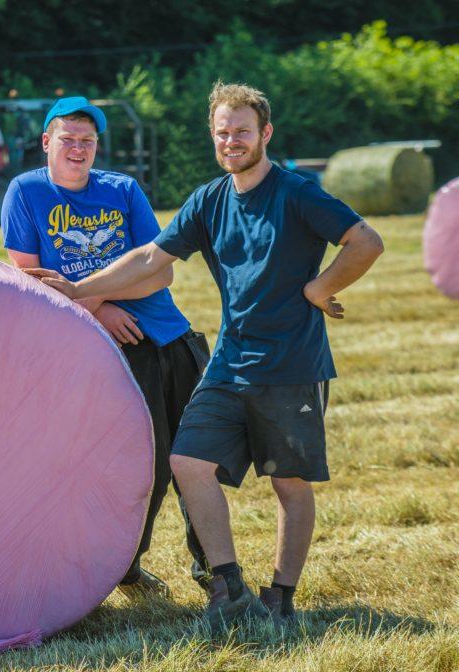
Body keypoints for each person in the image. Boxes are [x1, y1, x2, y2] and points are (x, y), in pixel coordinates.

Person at [25, 83, 383, 628]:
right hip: (229, 361)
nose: (231, 141)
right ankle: (228, 587)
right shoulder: (210, 199)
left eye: (242, 131)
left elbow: (365, 241)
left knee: (288, 483)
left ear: (265, 133)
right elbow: (150, 256)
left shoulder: (297, 193)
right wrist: (77, 292)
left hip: (291, 365)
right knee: (188, 462)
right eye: (222, 132)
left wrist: (320, 287)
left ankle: (281, 596)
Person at [1, 96, 211, 599]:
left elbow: (161, 269)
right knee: (147, 466)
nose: (78, 149)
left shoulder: (123, 190)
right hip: (106, 347)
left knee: (201, 457)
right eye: (68, 139)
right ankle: (122, 567)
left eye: (88, 141)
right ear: (46, 142)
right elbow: (29, 282)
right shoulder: (25, 192)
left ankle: (213, 569)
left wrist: (93, 295)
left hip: (170, 334)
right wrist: (102, 311)